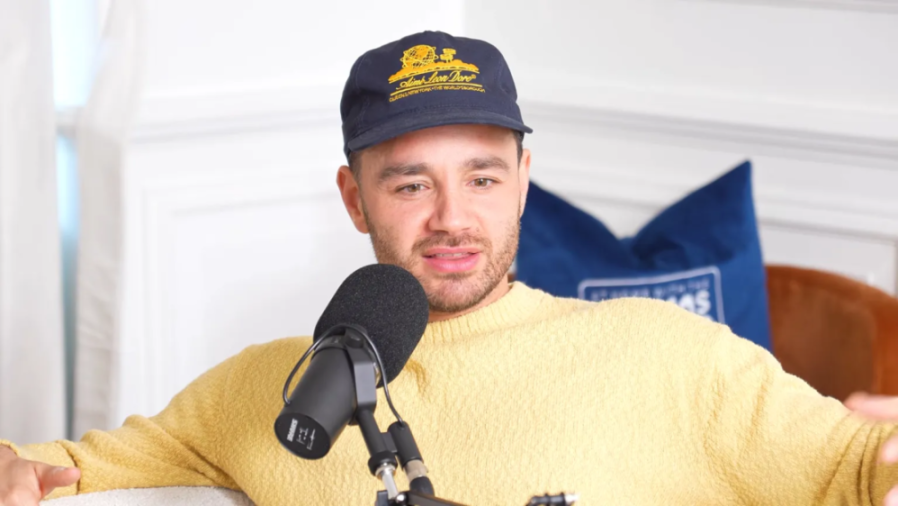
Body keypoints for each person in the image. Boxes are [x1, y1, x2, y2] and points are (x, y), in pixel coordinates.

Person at [1, 30, 897, 506]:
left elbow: (860, 473)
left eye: (482, 178)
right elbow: (53, 471)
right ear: (354, 200)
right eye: (409, 184)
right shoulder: (269, 389)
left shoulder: (670, 357)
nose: (452, 220)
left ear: (523, 187)